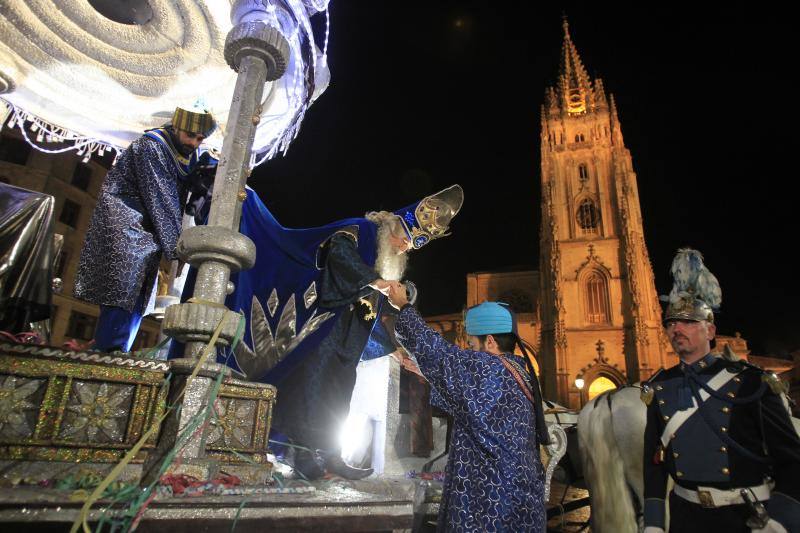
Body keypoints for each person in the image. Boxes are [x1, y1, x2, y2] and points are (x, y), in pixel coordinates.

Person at [217, 184, 464, 480]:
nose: (404, 249)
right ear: (394, 228)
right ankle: (305, 459)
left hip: (350, 340)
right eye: (405, 241)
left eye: (410, 247)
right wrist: (375, 280)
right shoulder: (361, 230)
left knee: (339, 397)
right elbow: (338, 253)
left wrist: (394, 348)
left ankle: (333, 457)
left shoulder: (388, 261)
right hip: (324, 330)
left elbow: (375, 312)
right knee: (311, 392)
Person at [642, 249, 800, 533]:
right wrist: (654, 522)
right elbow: (654, 465)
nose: (678, 328)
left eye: (689, 322)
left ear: (711, 331)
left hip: (745, 519)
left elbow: (792, 461)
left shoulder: (751, 382)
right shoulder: (660, 386)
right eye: (672, 322)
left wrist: (780, 519)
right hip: (685, 518)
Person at [387, 294, 549, 532]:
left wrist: (403, 305)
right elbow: (476, 410)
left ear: (490, 341)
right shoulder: (517, 371)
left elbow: (437, 351)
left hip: (490, 505)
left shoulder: (487, 368)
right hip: (520, 502)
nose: (470, 351)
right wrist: (428, 374)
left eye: (472, 345)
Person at [74, 107, 215, 352]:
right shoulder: (152, 147)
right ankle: (109, 351)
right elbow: (161, 197)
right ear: (176, 127)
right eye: (190, 136)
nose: (194, 143)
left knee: (140, 292)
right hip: (125, 225)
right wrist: (177, 250)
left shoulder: (183, 153)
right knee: (123, 287)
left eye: (200, 139)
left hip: (149, 231)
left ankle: (118, 350)